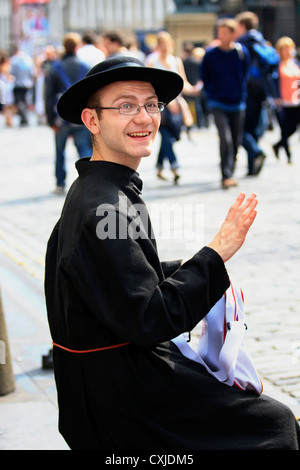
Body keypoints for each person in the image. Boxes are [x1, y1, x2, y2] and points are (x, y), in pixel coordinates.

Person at [44, 54, 300, 450]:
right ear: (92, 120)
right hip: (125, 399)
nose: (144, 117)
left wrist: (185, 268)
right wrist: (216, 253)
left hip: (111, 381)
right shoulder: (103, 207)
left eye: (151, 105)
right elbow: (149, 319)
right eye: (126, 105)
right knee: (274, 426)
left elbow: (117, 279)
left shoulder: (101, 189)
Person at [200, 19, 250, 189]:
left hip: (237, 103)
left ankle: (231, 172)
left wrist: (241, 94)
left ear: (233, 34)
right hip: (217, 102)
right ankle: (225, 175)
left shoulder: (241, 53)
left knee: (236, 140)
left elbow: (245, 74)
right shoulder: (210, 54)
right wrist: (211, 93)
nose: (221, 36)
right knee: (225, 139)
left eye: (225, 32)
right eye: (219, 32)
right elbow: (204, 76)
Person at [147, 31, 199, 183]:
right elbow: (148, 87)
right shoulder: (152, 61)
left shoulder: (176, 61)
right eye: (161, 44)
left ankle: (159, 167)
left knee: (170, 138)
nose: (164, 48)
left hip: (176, 107)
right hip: (160, 107)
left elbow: (183, 83)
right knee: (166, 137)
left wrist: (195, 89)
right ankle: (175, 167)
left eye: (167, 44)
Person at [45, 32, 92, 194]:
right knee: (84, 149)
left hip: (60, 117)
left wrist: (50, 120)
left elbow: (49, 96)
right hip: (81, 116)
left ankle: (60, 182)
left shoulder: (55, 68)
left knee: (60, 151)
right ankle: (90, 179)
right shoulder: (85, 67)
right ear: (78, 46)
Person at [235, 11, 279, 176]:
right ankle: (252, 166)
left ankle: (255, 151)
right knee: (252, 128)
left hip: (248, 90)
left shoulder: (243, 42)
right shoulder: (261, 40)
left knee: (240, 129)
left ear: (242, 26)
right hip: (262, 90)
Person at [272, 36, 300, 164]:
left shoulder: (295, 63)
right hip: (283, 101)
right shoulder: (276, 65)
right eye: (284, 49)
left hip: (296, 100)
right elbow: (272, 82)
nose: (287, 51)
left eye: (289, 48)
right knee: (285, 128)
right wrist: (275, 97)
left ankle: (278, 145)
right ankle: (289, 155)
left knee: (293, 128)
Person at [10, 45, 35, 127]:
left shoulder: (14, 60)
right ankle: (25, 118)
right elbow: (32, 73)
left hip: (18, 84)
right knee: (26, 101)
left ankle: (24, 118)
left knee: (20, 102)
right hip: (28, 84)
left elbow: (12, 73)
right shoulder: (29, 60)